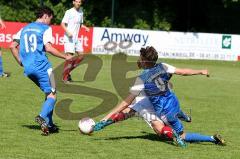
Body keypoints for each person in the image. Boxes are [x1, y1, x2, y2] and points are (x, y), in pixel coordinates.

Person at [95, 46, 225, 147]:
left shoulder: (141, 80)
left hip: (163, 111)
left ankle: (200, 137)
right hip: (173, 102)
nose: (138, 59)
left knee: (176, 134)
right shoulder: (163, 66)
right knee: (135, 110)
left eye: (140, 58)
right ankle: (207, 135)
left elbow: (125, 103)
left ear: (144, 61)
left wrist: (105, 117)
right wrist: (200, 71)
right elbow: (183, 72)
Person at [10, 6, 73, 136]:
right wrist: (66, 56)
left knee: (48, 92)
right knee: (53, 94)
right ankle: (42, 117)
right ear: (45, 16)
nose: (50, 22)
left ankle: (49, 125)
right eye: (50, 18)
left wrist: (20, 61)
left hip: (28, 68)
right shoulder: (45, 28)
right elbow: (48, 48)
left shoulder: (25, 28)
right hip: (43, 66)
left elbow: (12, 46)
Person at [61, 0, 90, 83]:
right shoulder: (69, 12)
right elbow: (62, 24)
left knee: (81, 56)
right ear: (73, 2)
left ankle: (67, 72)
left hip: (76, 38)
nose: (78, 3)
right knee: (70, 58)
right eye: (76, 1)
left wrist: (85, 27)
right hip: (69, 38)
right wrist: (68, 32)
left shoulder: (81, 12)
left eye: (80, 2)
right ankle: (65, 77)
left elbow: (80, 24)